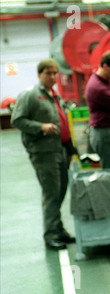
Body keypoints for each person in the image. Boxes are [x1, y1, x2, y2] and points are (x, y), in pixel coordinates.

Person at [11, 58, 76, 250]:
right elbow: (17, 120)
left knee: (61, 190)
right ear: (40, 74)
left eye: (55, 73)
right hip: (44, 152)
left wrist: (70, 150)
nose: (53, 76)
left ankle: (59, 229)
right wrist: (41, 127)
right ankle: (51, 235)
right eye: (48, 73)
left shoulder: (55, 95)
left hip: (61, 150)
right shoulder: (30, 95)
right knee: (51, 194)